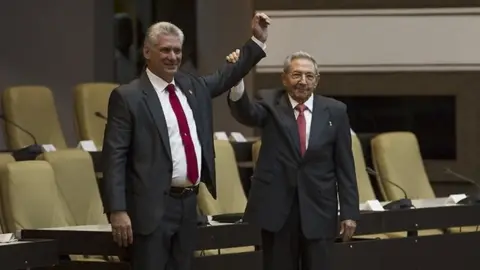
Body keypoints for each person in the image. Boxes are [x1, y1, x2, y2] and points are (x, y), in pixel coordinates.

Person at [102, 13, 270, 270]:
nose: (173, 57)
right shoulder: (128, 97)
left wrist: (256, 42)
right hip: (151, 210)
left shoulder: (191, 86)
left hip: (188, 206)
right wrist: (117, 210)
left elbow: (226, 75)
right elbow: (114, 156)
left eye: (177, 51)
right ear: (147, 52)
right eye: (165, 50)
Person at [226, 50, 360, 270]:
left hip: (319, 209)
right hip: (278, 211)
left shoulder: (335, 111)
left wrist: (349, 213)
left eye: (309, 76)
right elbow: (246, 113)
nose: (303, 81)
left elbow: (345, 166)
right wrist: (237, 76)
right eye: (296, 75)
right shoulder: (270, 103)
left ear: (317, 81)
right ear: (284, 78)